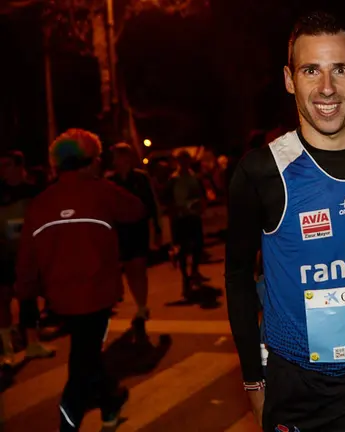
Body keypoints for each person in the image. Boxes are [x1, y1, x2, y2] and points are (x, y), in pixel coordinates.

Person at [226, 11, 345, 431]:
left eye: (341, 70)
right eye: (310, 70)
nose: (327, 88)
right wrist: (252, 382)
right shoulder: (262, 171)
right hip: (304, 392)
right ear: (289, 79)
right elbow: (238, 276)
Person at [15, 129, 146, 431]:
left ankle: (110, 398)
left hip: (60, 298)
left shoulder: (40, 203)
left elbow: (26, 259)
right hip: (98, 294)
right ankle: (72, 421)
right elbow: (136, 210)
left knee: (85, 354)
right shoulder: (102, 191)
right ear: (89, 162)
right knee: (81, 364)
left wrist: (26, 301)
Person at [0, 150, 54, 366]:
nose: (2, 170)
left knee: (28, 297)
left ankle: (32, 342)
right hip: (2, 253)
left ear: (19, 167)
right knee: (2, 298)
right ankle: (6, 350)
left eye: (6, 165)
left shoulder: (34, 191)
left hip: (28, 252)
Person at [106, 143, 162, 342]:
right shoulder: (110, 180)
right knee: (129, 268)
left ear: (127, 158)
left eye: (118, 156)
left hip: (138, 227)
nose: (115, 160)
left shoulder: (140, 178)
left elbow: (151, 203)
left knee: (139, 266)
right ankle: (140, 303)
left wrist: (157, 227)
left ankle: (141, 306)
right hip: (120, 229)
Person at [167, 150, 208, 297]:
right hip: (181, 217)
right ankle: (185, 277)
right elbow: (168, 199)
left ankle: (194, 271)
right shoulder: (174, 179)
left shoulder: (194, 177)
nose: (184, 163)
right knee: (183, 249)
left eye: (186, 160)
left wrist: (200, 205)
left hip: (193, 216)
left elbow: (202, 194)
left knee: (198, 245)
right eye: (181, 160)